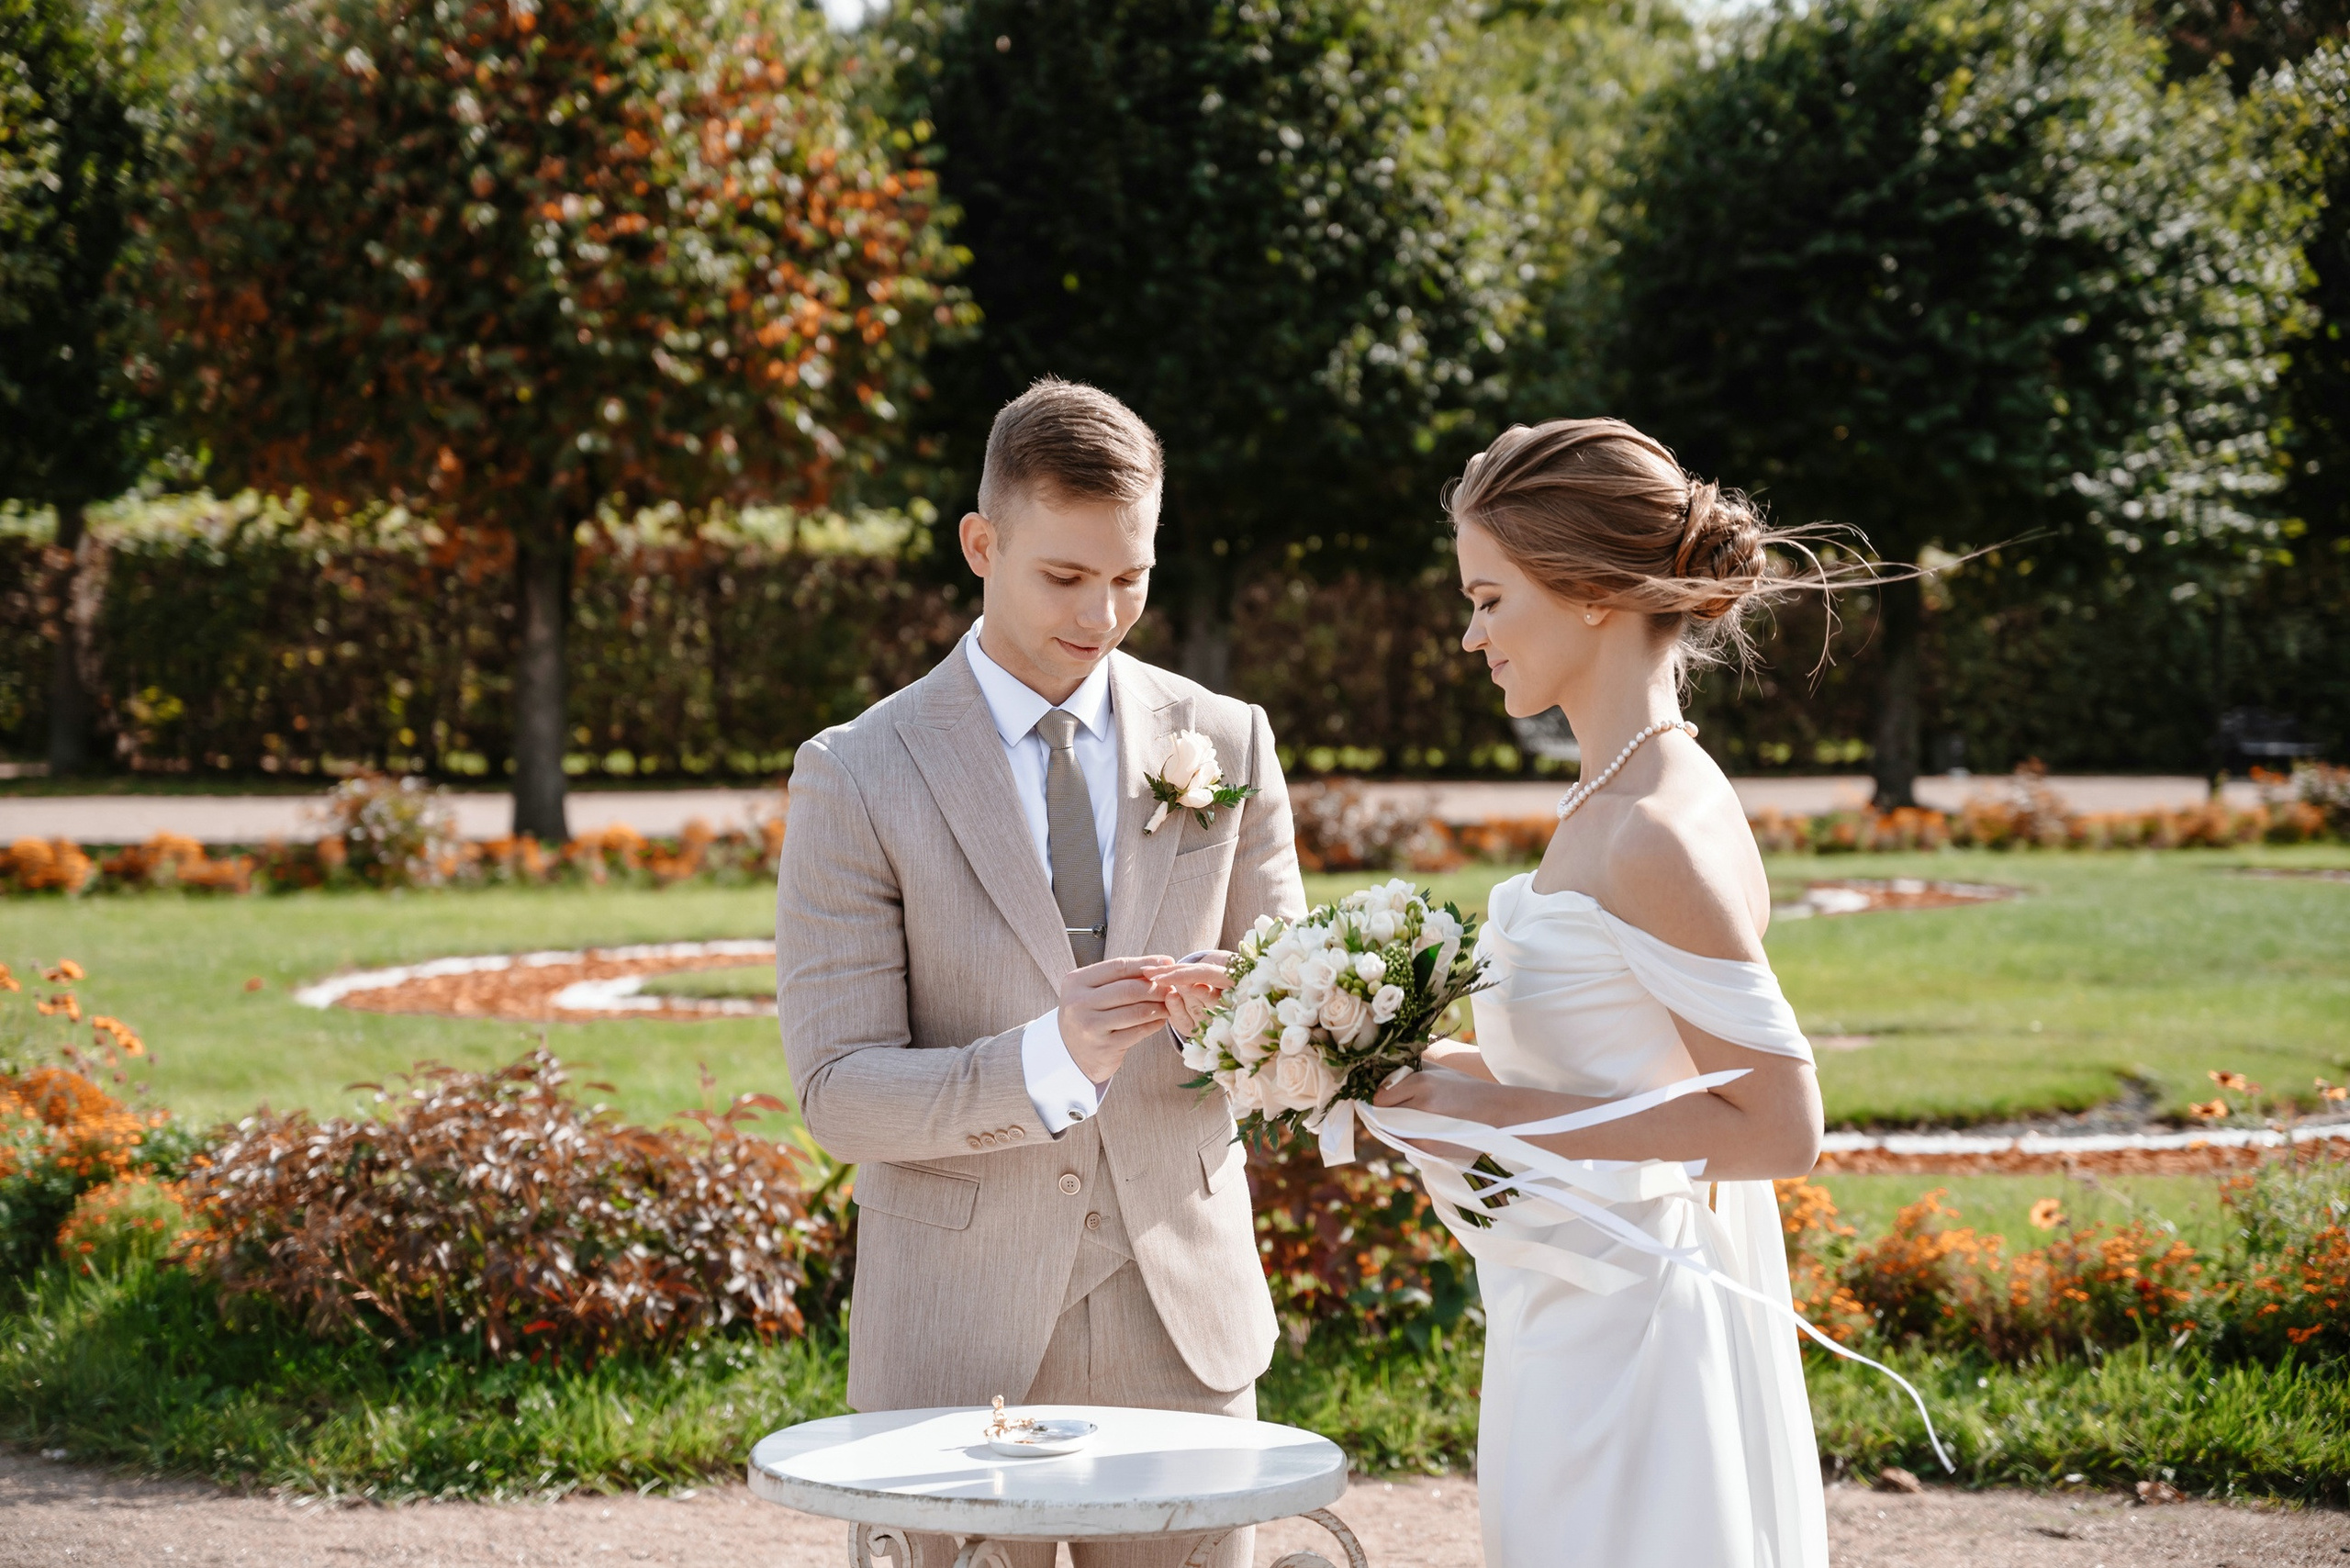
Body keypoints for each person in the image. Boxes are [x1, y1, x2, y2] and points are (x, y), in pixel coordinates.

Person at [776, 377, 1304, 1568]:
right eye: (1064, 576)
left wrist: (1247, 1018)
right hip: (951, 1344)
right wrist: (1044, 1061)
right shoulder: (857, 771)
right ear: (981, 544)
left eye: (1131, 575)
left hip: (1183, 1322)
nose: (1102, 614)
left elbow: (1300, 1023)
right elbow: (838, 1094)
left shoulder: (1227, 740)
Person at [1371, 418, 1833, 1568]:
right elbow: (1615, 1069)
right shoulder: (1615, 792)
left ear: (1587, 594)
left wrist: (1495, 1113)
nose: (1471, 635)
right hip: (1571, 1301)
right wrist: (1379, 1063)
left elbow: (1779, 1126)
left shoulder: (1648, 829)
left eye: (1489, 599)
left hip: (1636, 1337)